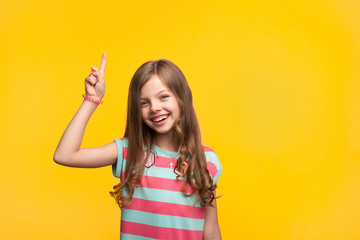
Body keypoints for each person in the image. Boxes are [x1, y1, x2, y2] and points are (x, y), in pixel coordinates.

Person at [53, 53, 223, 240]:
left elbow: (211, 231)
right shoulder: (129, 151)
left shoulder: (206, 159)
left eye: (164, 97)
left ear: (182, 98)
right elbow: (65, 155)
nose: (154, 107)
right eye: (144, 102)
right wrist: (91, 99)